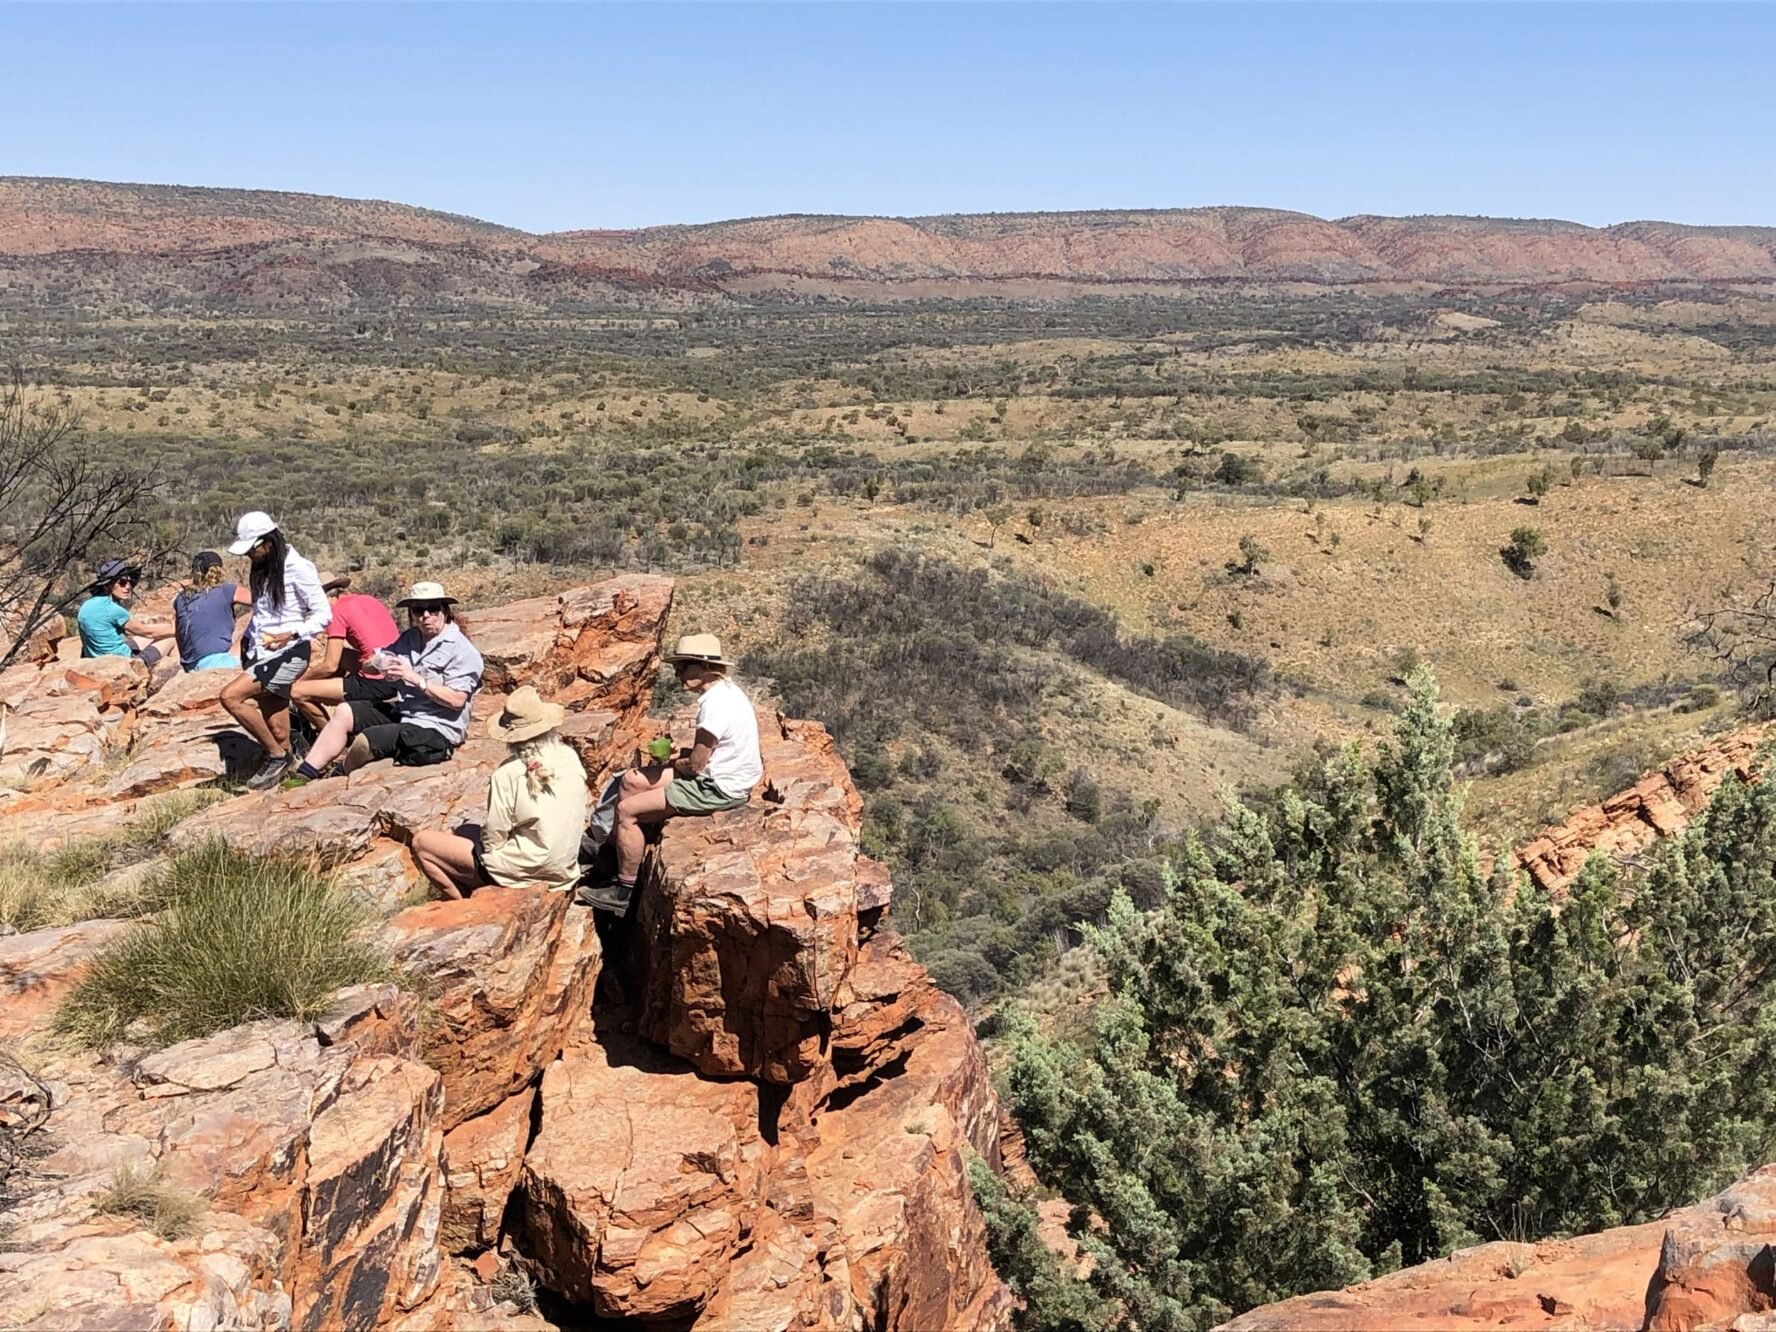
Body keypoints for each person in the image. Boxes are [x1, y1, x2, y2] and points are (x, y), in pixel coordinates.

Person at [580, 633, 762, 914]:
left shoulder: (714, 706)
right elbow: (706, 753)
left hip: (719, 786)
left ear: (703, 666)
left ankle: (623, 893)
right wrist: (683, 757)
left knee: (628, 811)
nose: (677, 674)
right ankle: (612, 860)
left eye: (683, 666)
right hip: (720, 773)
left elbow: (696, 767)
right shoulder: (725, 691)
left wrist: (676, 760)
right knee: (631, 780)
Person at [285, 580, 482, 785]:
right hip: (407, 712)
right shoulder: (410, 638)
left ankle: (339, 774)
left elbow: (457, 700)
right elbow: (368, 664)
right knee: (344, 711)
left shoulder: (461, 650)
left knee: (367, 740)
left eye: (432, 609)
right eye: (418, 610)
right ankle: (305, 773)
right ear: (411, 614)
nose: (426, 616)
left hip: (436, 727)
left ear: (445, 610)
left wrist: (415, 679)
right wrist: (381, 662)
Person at [410, 686, 589, 898]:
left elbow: (496, 834)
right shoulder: (569, 756)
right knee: (468, 831)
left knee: (422, 843)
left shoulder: (507, 773)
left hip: (524, 871)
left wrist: (490, 854)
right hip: (562, 868)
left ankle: (462, 903)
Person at [217, 512, 332, 790]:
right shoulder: (262, 568)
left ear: (268, 542)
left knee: (230, 697)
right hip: (263, 652)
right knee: (279, 730)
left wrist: (291, 634)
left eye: (253, 549)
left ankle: (276, 757)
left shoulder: (298, 567)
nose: (250, 556)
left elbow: (323, 613)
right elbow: (262, 613)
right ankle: (287, 766)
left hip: (289, 651)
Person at [289, 574, 400, 731]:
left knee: (297, 692)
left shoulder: (336, 613)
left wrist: (299, 680)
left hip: (375, 682)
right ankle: (331, 696)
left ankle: (334, 739)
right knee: (342, 656)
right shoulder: (368, 600)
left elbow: (330, 665)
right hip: (397, 671)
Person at [77, 559, 176, 666]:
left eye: (129, 582)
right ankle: (181, 672)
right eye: (122, 583)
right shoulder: (113, 609)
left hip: (97, 661)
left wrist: (164, 627)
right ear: (107, 585)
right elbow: (149, 633)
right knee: (171, 639)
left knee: (155, 632)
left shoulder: (87, 605)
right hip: (123, 663)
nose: (128, 586)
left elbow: (128, 631)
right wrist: (180, 630)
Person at [172, 551, 251, 672]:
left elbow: (179, 635)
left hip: (189, 665)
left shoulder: (181, 599)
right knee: (260, 615)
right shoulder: (226, 591)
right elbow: (263, 602)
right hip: (221, 661)